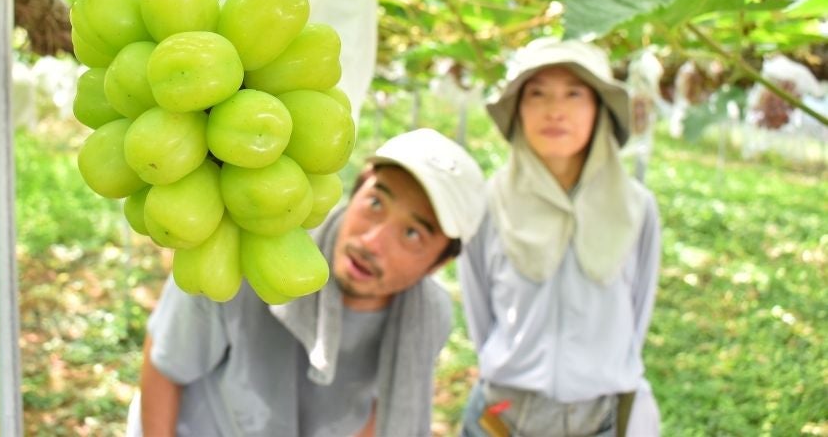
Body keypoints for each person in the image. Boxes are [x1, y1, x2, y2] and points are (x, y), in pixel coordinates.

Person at [127, 128, 486, 437]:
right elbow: (165, 364)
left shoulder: (426, 316)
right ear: (356, 190)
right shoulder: (250, 252)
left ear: (440, 263)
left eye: (411, 233)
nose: (371, 242)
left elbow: (386, 403)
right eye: (376, 202)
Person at [458, 37, 662, 437]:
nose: (555, 110)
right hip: (505, 414)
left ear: (600, 109)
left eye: (574, 94)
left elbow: (637, 313)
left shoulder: (637, 208)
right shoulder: (488, 203)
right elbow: (479, 311)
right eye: (537, 94)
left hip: (601, 416)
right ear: (518, 108)